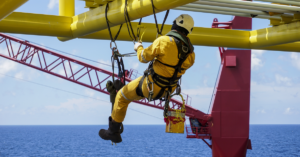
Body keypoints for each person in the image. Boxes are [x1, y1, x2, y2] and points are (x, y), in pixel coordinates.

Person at [99, 14, 195, 143]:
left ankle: (113, 132)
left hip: (149, 86)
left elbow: (143, 57)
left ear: (176, 24)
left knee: (121, 97)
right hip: (167, 90)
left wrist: (138, 46)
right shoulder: (191, 54)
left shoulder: (164, 41)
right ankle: (127, 95)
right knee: (133, 91)